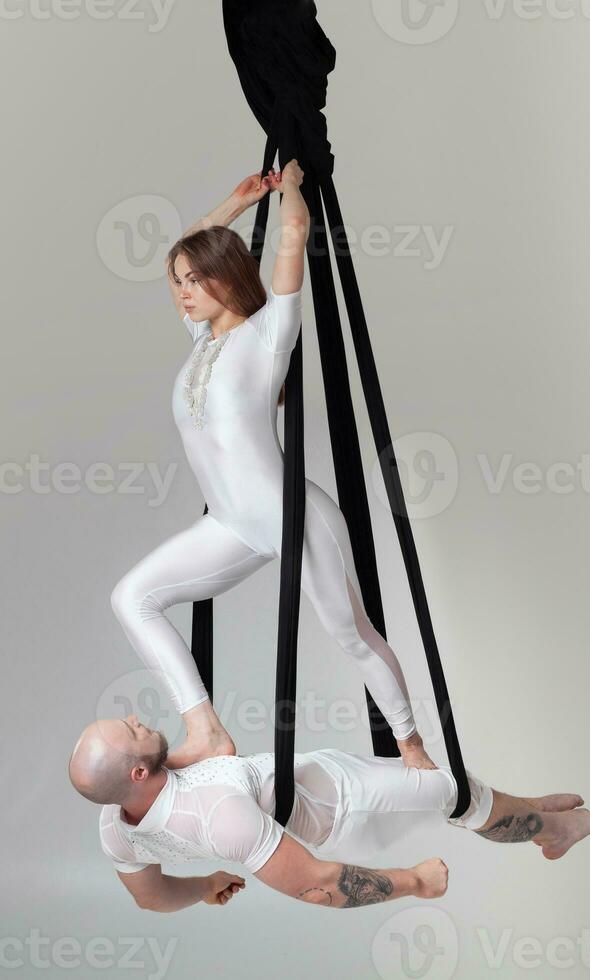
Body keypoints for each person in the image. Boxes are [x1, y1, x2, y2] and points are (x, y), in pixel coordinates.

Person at [109, 159, 436, 772]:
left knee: (350, 632)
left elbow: (292, 237)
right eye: (179, 280)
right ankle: (205, 730)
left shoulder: (268, 334)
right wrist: (232, 205)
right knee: (133, 597)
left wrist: (290, 188)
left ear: (227, 279)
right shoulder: (203, 343)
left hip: (292, 517)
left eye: (194, 280)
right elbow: (179, 255)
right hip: (231, 526)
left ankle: (412, 746)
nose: (181, 290)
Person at [68, 715, 590, 912]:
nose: (136, 718)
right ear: (139, 774)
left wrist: (205, 884)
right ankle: (552, 831)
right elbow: (317, 885)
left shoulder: (116, 826)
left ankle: (530, 809)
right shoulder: (217, 815)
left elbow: (151, 897)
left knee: (453, 790)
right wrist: (414, 881)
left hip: (327, 777)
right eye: (129, 730)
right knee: (456, 795)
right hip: (349, 806)